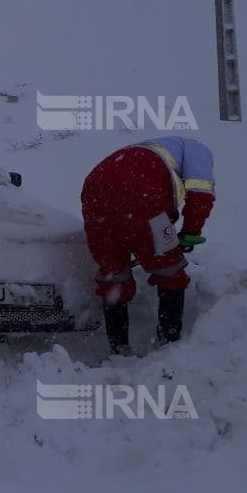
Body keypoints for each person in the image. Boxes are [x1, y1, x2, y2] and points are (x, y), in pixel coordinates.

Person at [80, 135, 215, 354]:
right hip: (139, 192)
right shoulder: (199, 150)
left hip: (94, 191)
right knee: (170, 271)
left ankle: (119, 351)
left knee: (114, 275)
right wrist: (190, 232)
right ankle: (168, 346)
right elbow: (201, 195)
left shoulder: (148, 148)